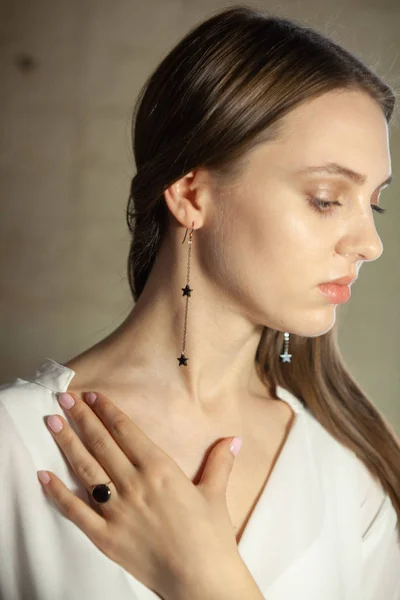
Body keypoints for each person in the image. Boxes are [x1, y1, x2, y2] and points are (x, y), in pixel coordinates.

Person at [1, 4, 399, 599]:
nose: (370, 244)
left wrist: (207, 580)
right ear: (191, 193)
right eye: (325, 198)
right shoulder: (14, 446)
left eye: (374, 203)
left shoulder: (354, 476)